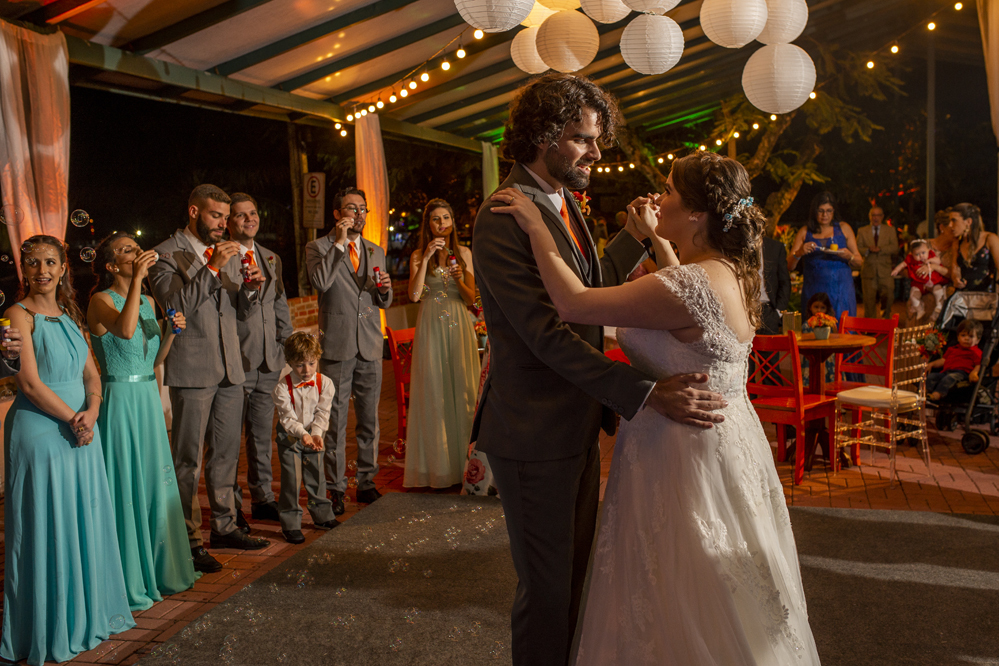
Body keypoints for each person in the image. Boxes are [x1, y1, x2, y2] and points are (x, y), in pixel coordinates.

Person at [494, 149, 820, 665]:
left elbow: (573, 302)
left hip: (677, 450)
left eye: (668, 189)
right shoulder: (727, 271)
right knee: (709, 584)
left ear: (696, 213)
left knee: (676, 578)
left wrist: (537, 229)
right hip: (723, 440)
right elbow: (686, 306)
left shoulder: (685, 285)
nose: (657, 196)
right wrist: (655, 238)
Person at [471, 73, 728, 666]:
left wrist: (632, 239)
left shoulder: (560, 202)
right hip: (533, 432)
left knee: (574, 579)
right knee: (548, 591)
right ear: (543, 135)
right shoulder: (504, 214)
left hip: (575, 422)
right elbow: (545, 335)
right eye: (584, 139)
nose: (595, 151)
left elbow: (585, 292)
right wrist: (644, 393)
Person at [2, 235, 134, 664]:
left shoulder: (72, 317)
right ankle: (44, 626)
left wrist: (92, 411)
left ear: (63, 269)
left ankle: (83, 617)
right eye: (34, 263)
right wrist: (73, 419)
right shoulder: (15, 315)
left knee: (83, 520)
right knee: (44, 526)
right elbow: (28, 383)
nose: (42, 270)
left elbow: (93, 378)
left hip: (82, 431)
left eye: (50, 262)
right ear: (25, 269)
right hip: (41, 431)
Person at [148, 184, 270, 575]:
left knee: (225, 456)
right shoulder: (165, 254)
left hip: (231, 367)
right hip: (193, 368)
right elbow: (175, 306)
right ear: (193, 212)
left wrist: (251, 288)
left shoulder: (228, 251)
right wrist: (213, 266)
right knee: (187, 461)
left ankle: (225, 527)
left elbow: (237, 310)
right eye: (216, 216)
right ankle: (189, 539)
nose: (223, 223)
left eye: (225, 216)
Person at [87, 233, 199, 611]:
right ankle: (129, 577)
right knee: (127, 485)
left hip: (148, 399)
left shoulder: (151, 300)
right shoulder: (100, 301)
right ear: (110, 265)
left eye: (135, 248)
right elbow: (125, 331)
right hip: (119, 401)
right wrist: (137, 280)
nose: (135, 253)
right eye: (125, 251)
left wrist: (171, 333)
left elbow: (152, 361)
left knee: (154, 483)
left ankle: (160, 568)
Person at [305, 187, 393, 514]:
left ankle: (366, 483)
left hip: (370, 343)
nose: (358, 214)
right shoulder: (317, 247)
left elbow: (381, 301)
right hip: (337, 346)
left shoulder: (376, 250)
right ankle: (336, 486)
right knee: (335, 420)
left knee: (369, 420)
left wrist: (384, 289)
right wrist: (340, 245)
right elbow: (321, 282)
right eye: (351, 208)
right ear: (337, 214)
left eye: (363, 209)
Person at [226, 193, 294, 525]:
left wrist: (287, 345)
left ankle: (263, 498)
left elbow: (279, 304)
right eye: (240, 215)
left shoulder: (271, 257)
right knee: (227, 442)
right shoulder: (220, 259)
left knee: (260, 436)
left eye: (252, 213)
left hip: (269, 361)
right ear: (228, 222)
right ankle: (231, 505)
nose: (249, 219)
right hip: (235, 360)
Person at [403, 198, 480, 488]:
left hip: (458, 323)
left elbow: (473, 299)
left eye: (446, 218)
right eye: (436, 219)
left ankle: (464, 464)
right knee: (434, 389)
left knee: (462, 388)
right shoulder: (416, 255)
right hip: (431, 325)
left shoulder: (463, 253)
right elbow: (414, 294)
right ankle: (437, 469)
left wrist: (461, 279)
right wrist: (424, 260)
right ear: (428, 225)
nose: (442, 224)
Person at [272, 332, 340, 543]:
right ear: (289, 362)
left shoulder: (325, 383)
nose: (307, 370)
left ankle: (322, 516)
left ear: (318, 359)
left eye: (311, 363)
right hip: (290, 437)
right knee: (292, 481)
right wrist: (303, 434)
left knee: (316, 476)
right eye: (300, 365)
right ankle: (290, 524)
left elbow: (323, 412)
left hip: (314, 434)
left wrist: (316, 434)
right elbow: (287, 418)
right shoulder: (282, 387)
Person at [788, 191, 861, 320]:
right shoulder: (805, 231)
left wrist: (850, 256)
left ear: (834, 211)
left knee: (842, 328)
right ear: (814, 211)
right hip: (814, 291)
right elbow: (789, 266)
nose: (824, 215)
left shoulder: (844, 229)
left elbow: (860, 262)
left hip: (841, 289)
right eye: (820, 211)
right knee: (814, 328)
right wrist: (799, 253)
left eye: (829, 211)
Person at [857, 206, 899, 318]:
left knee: (889, 296)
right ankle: (871, 326)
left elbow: (895, 247)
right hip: (868, 271)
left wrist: (880, 249)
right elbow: (857, 248)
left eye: (878, 215)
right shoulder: (862, 231)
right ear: (869, 216)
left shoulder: (890, 230)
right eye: (873, 215)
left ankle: (885, 320)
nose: (876, 218)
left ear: (882, 216)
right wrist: (868, 250)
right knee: (869, 300)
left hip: (885, 271)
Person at [892, 239, 947, 324]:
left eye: (923, 253)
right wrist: (896, 269)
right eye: (917, 254)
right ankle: (920, 309)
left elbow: (939, 261)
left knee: (938, 290)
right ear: (912, 254)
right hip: (918, 283)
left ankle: (939, 306)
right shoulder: (911, 259)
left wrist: (930, 261)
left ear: (928, 250)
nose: (921, 256)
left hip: (933, 281)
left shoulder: (931, 255)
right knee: (913, 295)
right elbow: (903, 264)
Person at [928, 319, 983, 402]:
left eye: (971, 336)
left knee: (949, 378)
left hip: (961, 374)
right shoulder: (952, 349)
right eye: (963, 335)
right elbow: (943, 360)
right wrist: (931, 364)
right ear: (958, 337)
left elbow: (978, 364)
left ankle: (938, 394)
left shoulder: (976, 351)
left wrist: (974, 373)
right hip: (946, 372)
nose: (966, 338)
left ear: (978, 340)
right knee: (932, 376)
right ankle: (927, 392)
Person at [950, 203, 999, 292]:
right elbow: (955, 268)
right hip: (963, 298)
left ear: (969, 222)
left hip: (985, 297)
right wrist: (956, 279)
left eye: (954, 220)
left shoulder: (990, 239)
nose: (950, 225)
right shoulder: (957, 243)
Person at [760, 228, 791, 334]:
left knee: (769, 350)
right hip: (742, 309)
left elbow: (784, 281)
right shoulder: (735, 247)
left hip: (768, 310)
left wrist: (778, 312)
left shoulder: (775, 247)